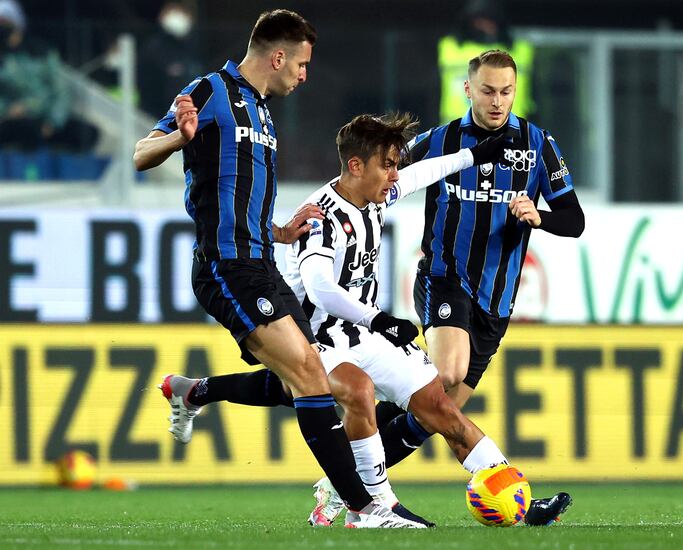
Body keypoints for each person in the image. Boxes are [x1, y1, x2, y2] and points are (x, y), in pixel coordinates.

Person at [158, 113, 570, 527]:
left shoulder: (378, 194)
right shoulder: (321, 217)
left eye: (395, 164)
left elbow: (424, 173)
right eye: (388, 165)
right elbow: (320, 288)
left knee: (438, 406)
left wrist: (472, 155)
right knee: (356, 389)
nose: (395, 175)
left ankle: (509, 489)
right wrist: (381, 321)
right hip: (312, 337)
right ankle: (376, 508)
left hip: (362, 332)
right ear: (356, 167)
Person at [133, 9, 422, 529]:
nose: (305, 75)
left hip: (262, 259)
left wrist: (282, 233)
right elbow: (140, 154)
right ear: (279, 56)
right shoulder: (211, 90)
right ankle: (366, 507)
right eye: (303, 64)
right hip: (227, 266)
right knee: (311, 375)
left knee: (303, 374)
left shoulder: (262, 111)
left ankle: (192, 391)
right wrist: (180, 138)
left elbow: (237, 201)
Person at [373, 48, 584, 525]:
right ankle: (355, 475)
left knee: (437, 415)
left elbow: (574, 219)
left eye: (506, 92)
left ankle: (344, 476)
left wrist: (539, 215)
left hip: (497, 301)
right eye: (487, 91)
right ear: (468, 88)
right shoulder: (443, 139)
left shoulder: (537, 144)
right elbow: (385, 171)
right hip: (445, 278)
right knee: (447, 373)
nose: (497, 101)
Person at [0, 0, 98, 154]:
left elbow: (61, 91)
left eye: (6, 22)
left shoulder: (41, 52)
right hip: (11, 121)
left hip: (42, 118)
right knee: (22, 130)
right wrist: (8, 111)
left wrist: (52, 122)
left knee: (87, 133)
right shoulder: (3, 58)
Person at [438, 0, 534, 124]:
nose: (484, 27)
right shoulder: (450, 49)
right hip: (458, 136)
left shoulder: (520, 51)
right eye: (479, 21)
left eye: (489, 21)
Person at [137, 2, 204, 118]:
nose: (177, 17)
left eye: (183, 13)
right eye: (173, 11)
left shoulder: (192, 49)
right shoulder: (154, 47)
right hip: (154, 114)